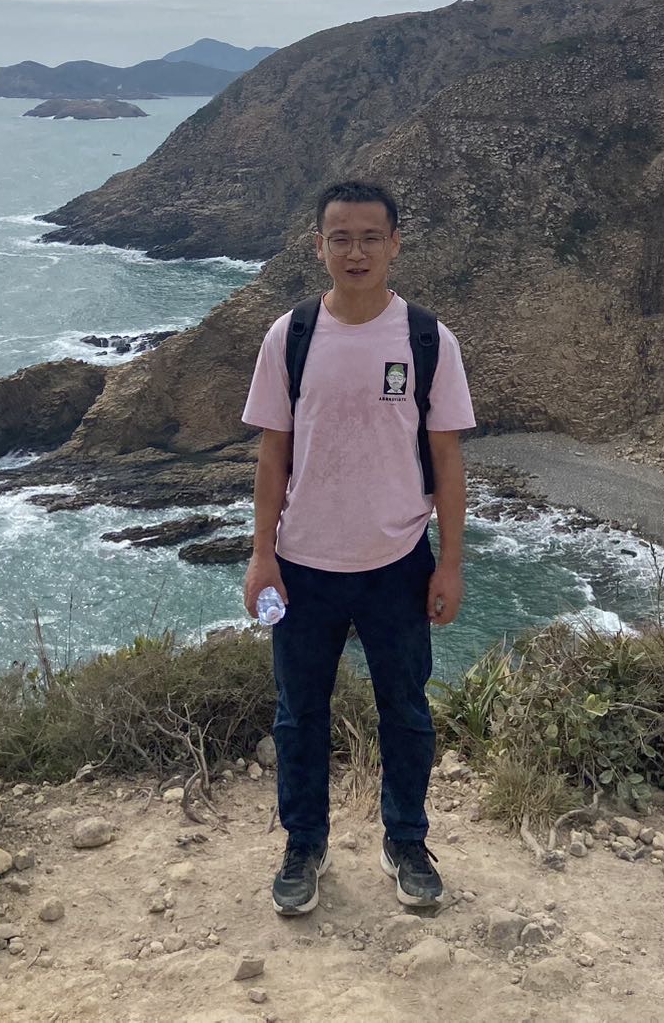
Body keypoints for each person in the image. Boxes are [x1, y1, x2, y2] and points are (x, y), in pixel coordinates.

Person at [241, 178, 475, 915]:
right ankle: (303, 844)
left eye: (371, 237)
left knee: (405, 710)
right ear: (318, 246)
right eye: (340, 237)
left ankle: (406, 840)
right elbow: (273, 455)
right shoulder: (290, 336)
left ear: (395, 243)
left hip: (397, 565)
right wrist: (261, 554)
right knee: (298, 714)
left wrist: (450, 562)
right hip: (302, 565)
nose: (356, 251)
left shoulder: (428, 340)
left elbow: (448, 461)